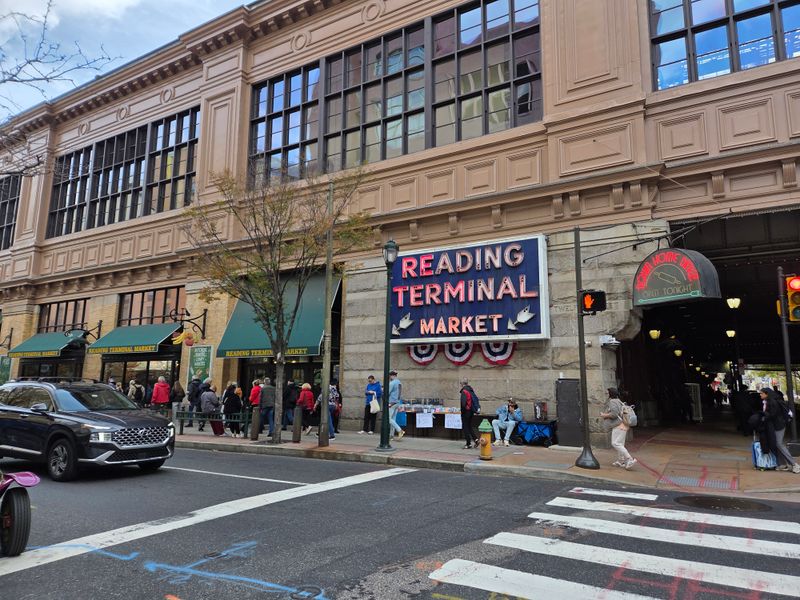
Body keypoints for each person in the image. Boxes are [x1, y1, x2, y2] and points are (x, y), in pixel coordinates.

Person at [760, 387, 800, 473]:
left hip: (779, 426)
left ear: (767, 394)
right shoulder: (768, 401)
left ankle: (794, 464)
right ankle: (783, 464)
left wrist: (763, 416)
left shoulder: (772, 402)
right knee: (776, 444)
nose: (760, 395)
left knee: (779, 444)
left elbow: (773, 415)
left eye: (762, 393)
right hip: (774, 426)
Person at [600, 387, 636, 470]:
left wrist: (604, 415)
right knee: (620, 444)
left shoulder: (612, 402)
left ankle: (630, 459)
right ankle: (621, 461)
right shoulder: (618, 400)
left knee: (616, 443)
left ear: (610, 394)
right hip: (623, 425)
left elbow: (614, 414)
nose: (606, 394)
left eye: (607, 392)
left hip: (619, 425)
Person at [459, 379, 480, 449]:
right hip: (471, 411)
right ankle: (476, 440)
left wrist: (463, 411)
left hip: (466, 412)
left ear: (462, 384)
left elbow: (463, 403)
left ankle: (468, 444)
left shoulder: (464, 391)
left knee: (465, 427)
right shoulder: (470, 390)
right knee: (469, 426)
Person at [388, 370, 405, 440]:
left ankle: (399, 430)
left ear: (391, 376)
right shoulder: (399, 382)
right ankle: (391, 435)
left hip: (391, 402)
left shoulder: (392, 383)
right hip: (397, 402)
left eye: (389, 376)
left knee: (389, 419)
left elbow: (387, 392)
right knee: (393, 419)